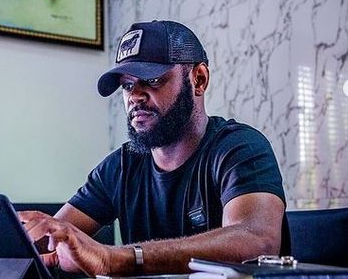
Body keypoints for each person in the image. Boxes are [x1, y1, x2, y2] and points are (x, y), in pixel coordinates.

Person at [19, 20, 287, 277]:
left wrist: (116, 259)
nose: (135, 96)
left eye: (153, 80)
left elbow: (257, 241)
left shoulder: (240, 148)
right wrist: (26, 239)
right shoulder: (121, 166)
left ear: (199, 79)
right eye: (127, 85)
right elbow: (48, 242)